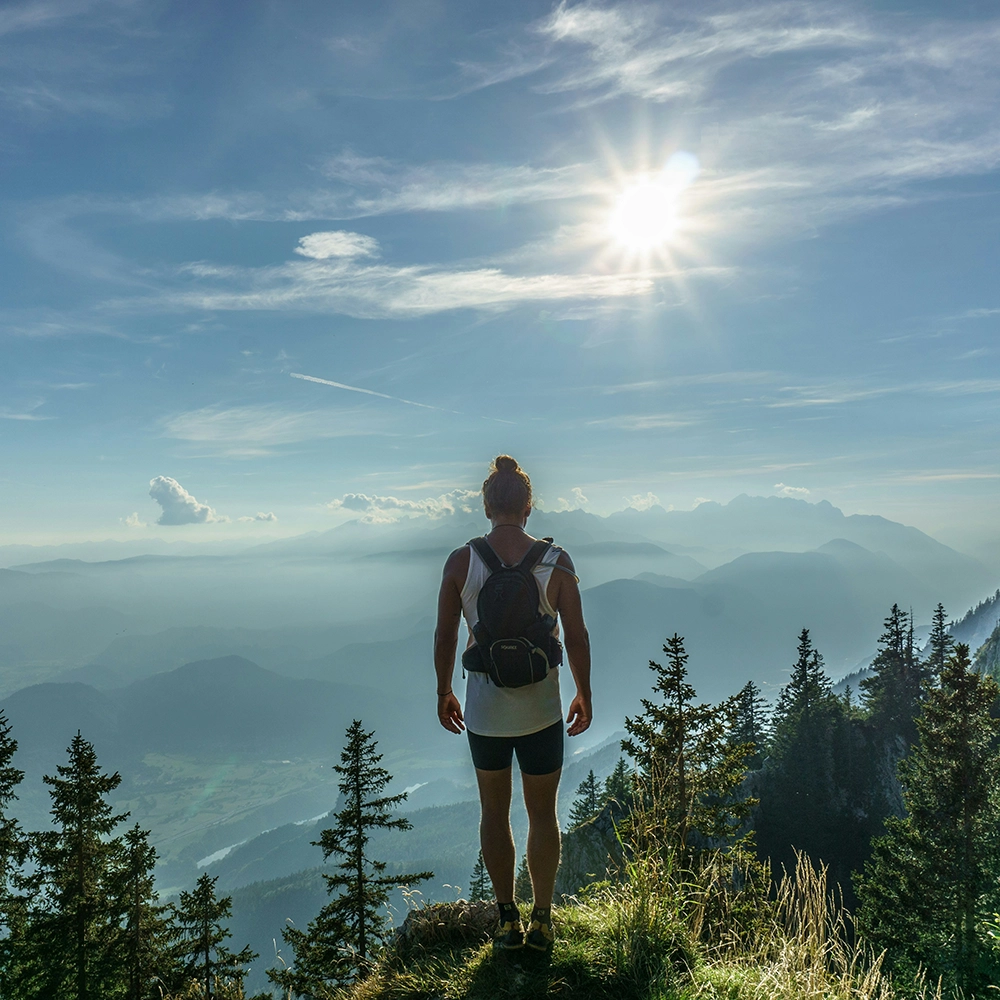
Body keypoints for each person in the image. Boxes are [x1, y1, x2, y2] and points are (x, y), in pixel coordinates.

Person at [433, 455, 592, 954]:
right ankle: (542, 921)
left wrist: (443, 691)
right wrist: (584, 691)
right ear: (528, 506)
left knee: (493, 812)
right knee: (543, 815)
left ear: (486, 506)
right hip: (542, 710)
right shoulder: (557, 561)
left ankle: (506, 922)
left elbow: (445, 632)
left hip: (485, 713)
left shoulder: (463, 561)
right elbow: (577, 634)